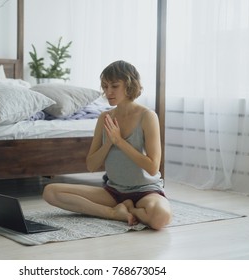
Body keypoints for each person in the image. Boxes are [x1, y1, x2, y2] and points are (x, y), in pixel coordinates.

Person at [43, 60, 172, 230]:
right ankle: (114, 213)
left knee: (160, 218)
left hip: (146, 191)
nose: (108, 92)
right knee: (50, 192)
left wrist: (119, 141)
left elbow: (153, 168)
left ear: (129, 85)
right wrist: (109, 143)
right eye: (105, 87)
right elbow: (91, 165)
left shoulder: (147, 116)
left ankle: (131, 208)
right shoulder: (105, 118)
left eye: (114, 86)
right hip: (113, 192)